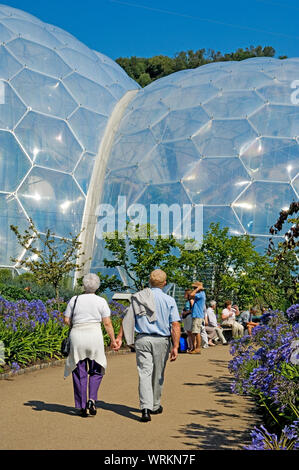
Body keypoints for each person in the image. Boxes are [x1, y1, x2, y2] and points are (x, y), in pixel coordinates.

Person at [115, 269, 181, 422]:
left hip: (143, 339)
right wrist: (175, 346)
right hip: (161, 340)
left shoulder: (138, 297)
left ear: (149, 282)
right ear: (164, 284)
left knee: (144, 373)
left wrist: (119, 337)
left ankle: (145, 408)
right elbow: (175, 325)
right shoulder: (169, 300)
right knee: (158, 373)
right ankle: (155, 405)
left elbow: (127, 319)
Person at [64, 273, 118, 417]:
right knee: (96, 369)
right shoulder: (101, 301)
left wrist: (78, 323)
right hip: (94, 336)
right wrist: (113, 340)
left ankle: (82, 405)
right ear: (97, 286)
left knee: (79, 370)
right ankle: (92, 399)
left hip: (78, 336)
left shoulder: (74, 300)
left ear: (84, 285)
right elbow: (107, 323)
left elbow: (66, 319)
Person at [187, 281, 206, 354]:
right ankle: (195, 348)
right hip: (196, 315)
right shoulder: (200, 294)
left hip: (198, 315)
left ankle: (198, 348)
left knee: (197, 332)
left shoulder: (200, 294)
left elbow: (191, 295)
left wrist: (197, 289)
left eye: (194, 287)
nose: (193, 289)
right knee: (195, 332)